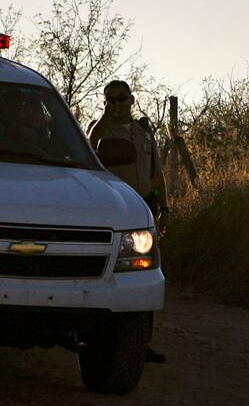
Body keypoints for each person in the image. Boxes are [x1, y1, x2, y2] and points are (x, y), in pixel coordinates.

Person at [87, 79, 168, 364]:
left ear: (132, 100)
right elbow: (89, 154)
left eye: (122, 99)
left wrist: (164, 207)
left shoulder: (144, 132)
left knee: (145, 277)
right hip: (115, 211)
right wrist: (102, 121)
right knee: (117, 277)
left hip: (143, 207)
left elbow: (156, 172)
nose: (117, 104)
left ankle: (140, 343)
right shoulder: (99, 131)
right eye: (111, 99)